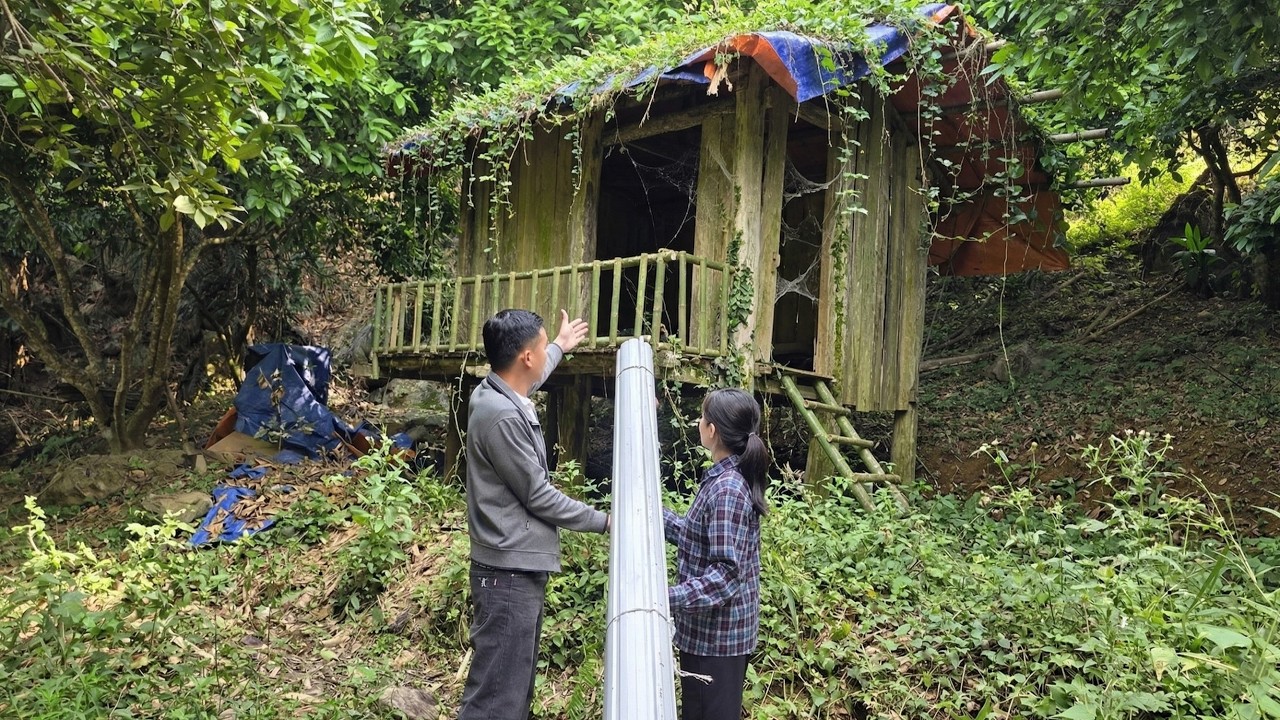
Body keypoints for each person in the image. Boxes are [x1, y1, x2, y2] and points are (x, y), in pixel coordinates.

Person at [458, 308, 610, 720]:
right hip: (508, 574)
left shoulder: (495, 391)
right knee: (497, 697)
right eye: (542, 348)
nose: (545, 354)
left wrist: (559, 345)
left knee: (511, 687)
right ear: (526, 357)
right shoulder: (503, 416)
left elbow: (534, 377)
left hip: (511, 566)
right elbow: (539, 496)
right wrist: (605, 521)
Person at [664, 388, 770, 720]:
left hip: (717, 642)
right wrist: (650, 516)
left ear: (712, 430)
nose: (699, 422)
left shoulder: (727, 489)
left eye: (702, 417)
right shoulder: (723, 479)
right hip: (708, 638)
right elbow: (697, 537)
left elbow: (725, 576)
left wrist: (664, 598)